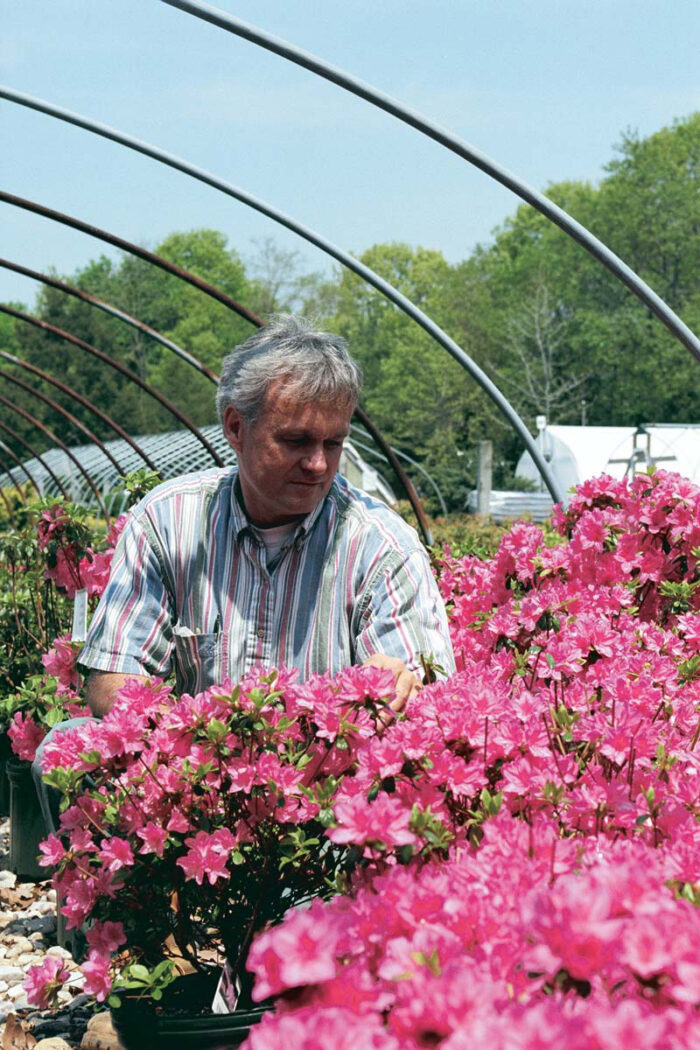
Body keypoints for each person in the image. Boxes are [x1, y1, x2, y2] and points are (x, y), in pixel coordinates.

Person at [79, 315, 455, 717]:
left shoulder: (383, 548)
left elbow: (420, 698)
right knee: (59, 745)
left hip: (332, 772)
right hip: (193, 765)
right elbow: (113, 675)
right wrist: (189, 739)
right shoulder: (167, 522)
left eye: (333, 443)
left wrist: (399, 681)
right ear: (236, 427)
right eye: (296, 440)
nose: (317, 464)